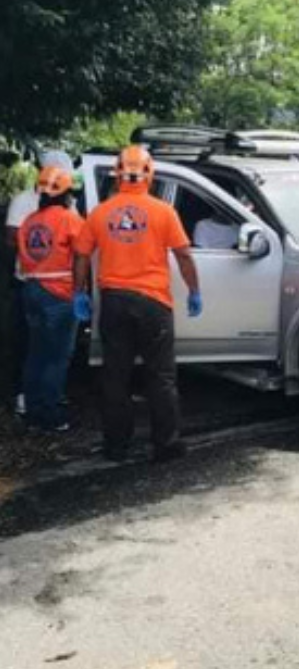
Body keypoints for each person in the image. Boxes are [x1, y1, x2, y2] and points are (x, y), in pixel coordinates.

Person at [72, 146, 202, 463]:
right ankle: (166, 445)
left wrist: (80, 292)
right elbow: (184, 254)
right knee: (161, 377)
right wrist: (194, 289)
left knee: (115, 376)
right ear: (150, 174)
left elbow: (82, 255)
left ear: (118, 173)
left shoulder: (101, 213)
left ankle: (116, 447)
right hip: (153, 302)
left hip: (114, 301)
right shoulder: (163, 212)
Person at [4, 149, 74, 417]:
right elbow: (80, 248)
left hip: (34, 283)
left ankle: (39, 399)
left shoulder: (35, 216)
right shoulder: (28, 202)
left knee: (39, 348)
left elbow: (18, 240)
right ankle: (44, 406)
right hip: (47, 286)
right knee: (49, 350)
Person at [16, 166, 84, 433]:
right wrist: (80, 292)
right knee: (57, 356)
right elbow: (82, 256)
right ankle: (50, 413)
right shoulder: (69, 219)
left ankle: (33, 412)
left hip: (32, 289)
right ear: (66, 193)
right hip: (59, 293)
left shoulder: (30, 221)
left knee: (37, 353)